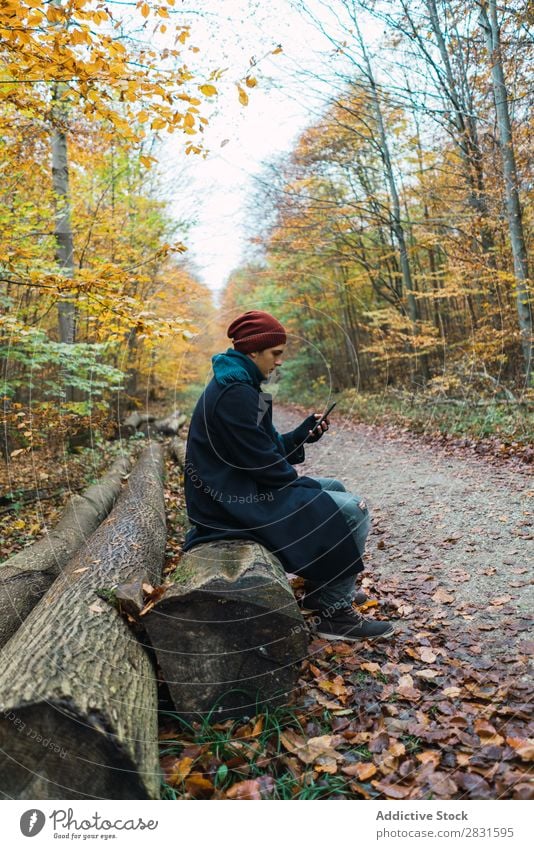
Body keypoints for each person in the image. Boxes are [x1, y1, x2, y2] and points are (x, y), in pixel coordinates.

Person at [183, 310, 394, 642]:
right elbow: (263, 465)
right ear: (252, 352)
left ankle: (323, 593)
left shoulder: (247, 387)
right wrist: (307, 489)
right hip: (230, 502)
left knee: (334, 489)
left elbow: (267, 447)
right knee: (352, 509)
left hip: (246, 487)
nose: (279, 362)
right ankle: (335, 617)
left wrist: (301, 434)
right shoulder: (234, 394)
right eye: (275, 354)